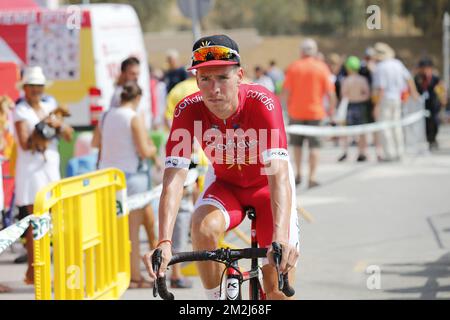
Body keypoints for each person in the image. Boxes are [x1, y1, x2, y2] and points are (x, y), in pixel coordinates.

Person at [143, 34, 300, 300]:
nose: (214, 88)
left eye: (223, 78)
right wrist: (164, 242)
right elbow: (173, 180)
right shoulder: (187, 111)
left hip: (267, 188)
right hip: (226, 186)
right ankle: (217, 301)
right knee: (202, 228)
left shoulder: (263, 103)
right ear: (196, 81)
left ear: (240, 75)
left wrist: (280, 238)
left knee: (278, 292)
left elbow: (279, 173)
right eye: (205, 79)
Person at [92, 81, 159, 289]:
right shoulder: (133, 117)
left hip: (108, 176)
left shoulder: (105, 115)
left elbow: (95, 143)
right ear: (137, 99)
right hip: (132, 177)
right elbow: (144, 151)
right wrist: (153, 149)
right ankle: (134, 276)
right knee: (132, 232)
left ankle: (123, 273)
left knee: (116, 230)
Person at [13, 66, 73, 285]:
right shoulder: (20, 110)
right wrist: (45, 127)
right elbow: (25, 143)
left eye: (39, 86)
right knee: (34, 225)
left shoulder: (50, 104)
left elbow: (68, 135)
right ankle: (35, 272)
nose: (37, 90)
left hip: (50, 169)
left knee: (53, 223)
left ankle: (36, 273)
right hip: (31, 172)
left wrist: (57, 124)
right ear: (25, 88)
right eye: (33, 86)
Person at [282, 38, 337, 188]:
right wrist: (331, 111)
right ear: (315, 51)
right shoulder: (322, 67)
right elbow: (331, 93)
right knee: (315, 146)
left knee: (297, 145)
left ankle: (299, 174)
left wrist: (285, 109)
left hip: (296, 112)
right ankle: (312, 177)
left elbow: (285, 92)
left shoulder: (293, 67)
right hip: (316, 113)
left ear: (301, 51)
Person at [372, 42, 419, 161]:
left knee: (385, 127)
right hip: (397, 98)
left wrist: (376, 106)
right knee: (396, 126)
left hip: (385, 99)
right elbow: (409, 79)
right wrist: (414, 93)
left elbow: (381, 88)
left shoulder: (380, 67)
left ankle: (390, 154)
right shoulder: (398, 64)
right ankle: (399, 152)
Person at [337, 56, 371, 162]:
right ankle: (362, 152)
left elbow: (343, 95)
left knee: (346, 131)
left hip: (350, 106)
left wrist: (352, 97)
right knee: (362, 131)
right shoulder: (362, 80)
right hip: (361, 106)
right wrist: (359, 98)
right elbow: (367, 94)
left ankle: (345, 152)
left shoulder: (346, 80)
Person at [414, 57, 448, 151]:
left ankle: (433, 139)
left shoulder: (435, 78)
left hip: (434, 105)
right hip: (422, 105)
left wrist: (443, 99)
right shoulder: (418, 78)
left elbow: (442, 89)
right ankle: (429, 140)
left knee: (435, 122)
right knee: (425, 124)